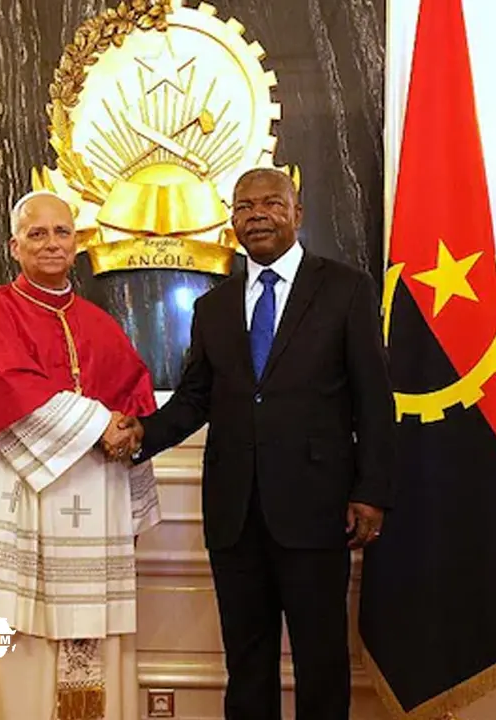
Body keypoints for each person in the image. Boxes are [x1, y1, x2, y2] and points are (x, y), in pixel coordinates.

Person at [109, 168, 397, 719]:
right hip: (234, 514)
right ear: (232, 220)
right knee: (246, 660)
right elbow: (196, 398)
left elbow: (374, 400)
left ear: (297, 213)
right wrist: (142, 433)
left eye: (271, 203)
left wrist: (371, 491)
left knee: (321, 659)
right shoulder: (213, 307)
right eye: (244, 206)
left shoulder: (345, 289)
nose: (257, 215)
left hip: (317, 509)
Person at [0, 190, 161, 720]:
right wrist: (100, 425)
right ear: (15, 246)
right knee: (12, 639)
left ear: (77, 243)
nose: (51, 243)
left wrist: (130, 430)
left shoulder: (101, 325)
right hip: (12, 505)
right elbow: (5, 386)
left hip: (91, 506)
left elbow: (134, 397)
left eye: (62, 232)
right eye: (37, 234)